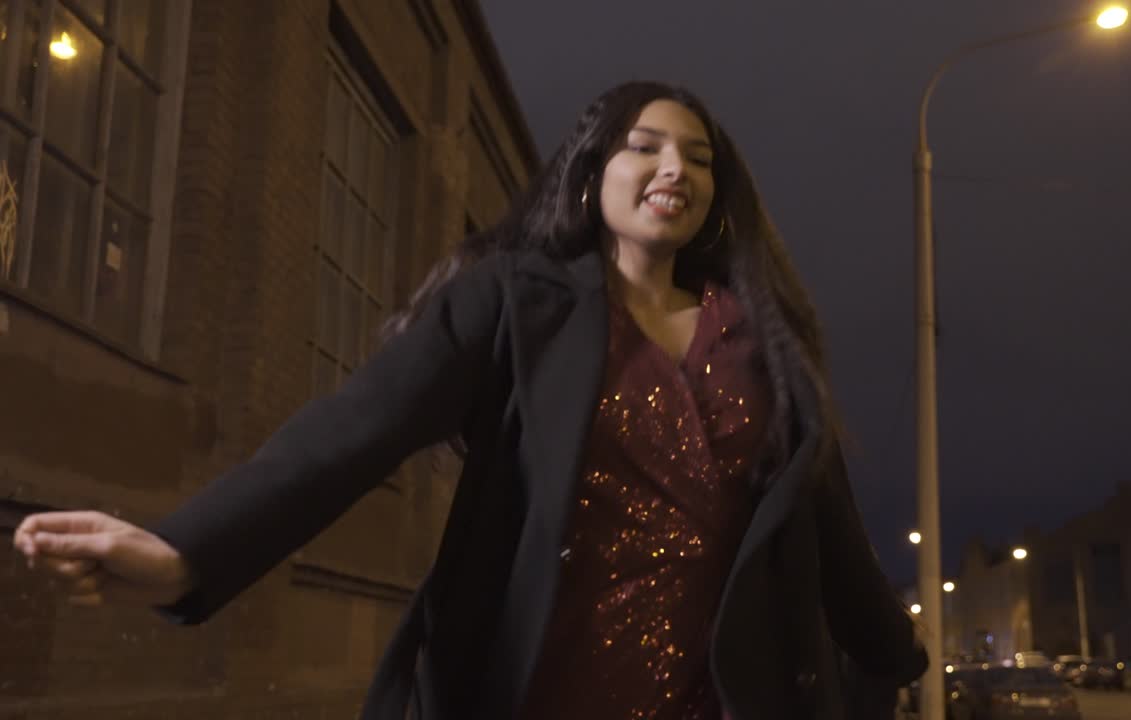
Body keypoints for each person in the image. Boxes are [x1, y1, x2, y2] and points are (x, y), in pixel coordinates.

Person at [13, 81, 926, 719]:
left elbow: (823, 524)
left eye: (697, 157)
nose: (673, 168)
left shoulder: (761, 342)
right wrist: (185, 551)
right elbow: (353, 432)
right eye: (643, 147)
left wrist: (893, 661)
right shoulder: (514, 304)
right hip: (539, 686)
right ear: (591, 171)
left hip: (723, 698)